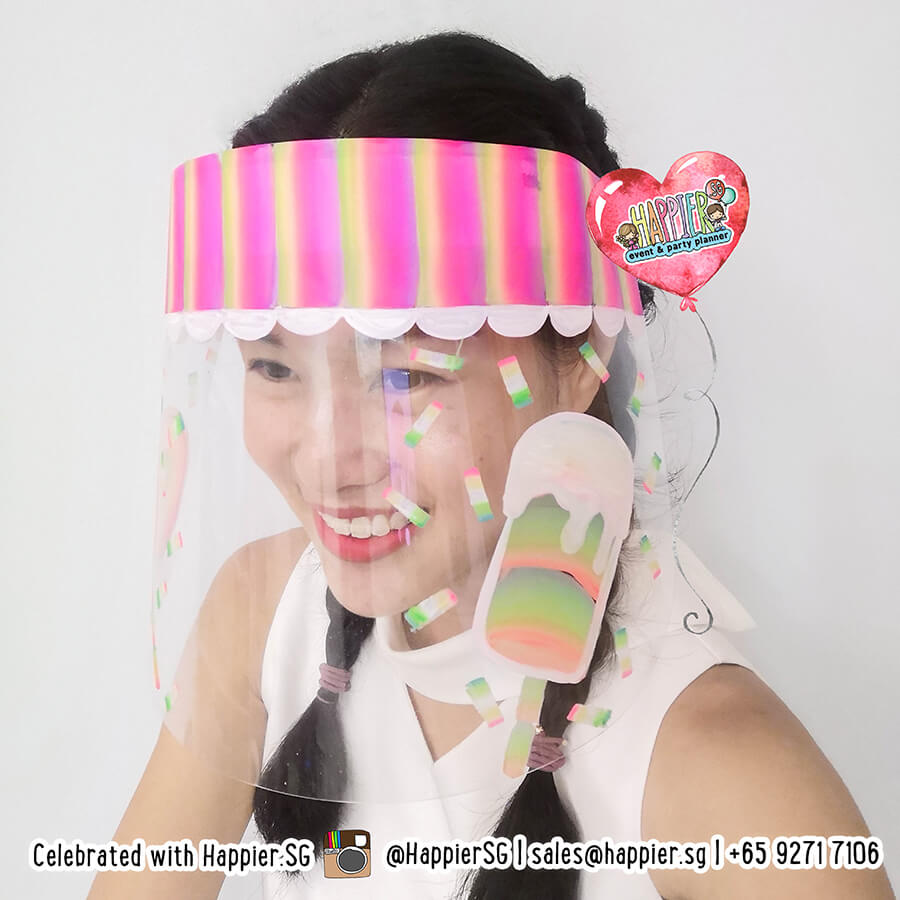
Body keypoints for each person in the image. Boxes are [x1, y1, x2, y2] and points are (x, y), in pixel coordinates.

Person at [88, 31, 894, 900]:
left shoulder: (732, 781)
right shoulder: (262, 616)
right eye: (276, 368)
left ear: (580, 355)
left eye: (405, 375)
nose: (325, 460)